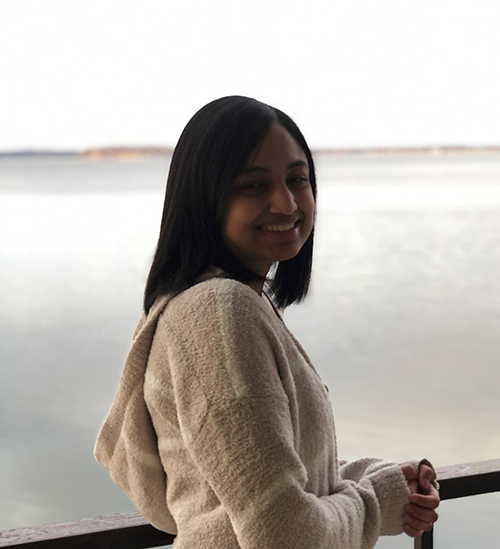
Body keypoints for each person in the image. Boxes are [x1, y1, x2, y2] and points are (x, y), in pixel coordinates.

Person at [95, 96, 439, 548]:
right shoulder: (216, 314)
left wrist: (372, 477)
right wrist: (374, 503)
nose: (286, 203)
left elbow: (258, 479)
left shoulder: (228, 303)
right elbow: (285, 534)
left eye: (298, 179)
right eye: (254, 185)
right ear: (205, 198)